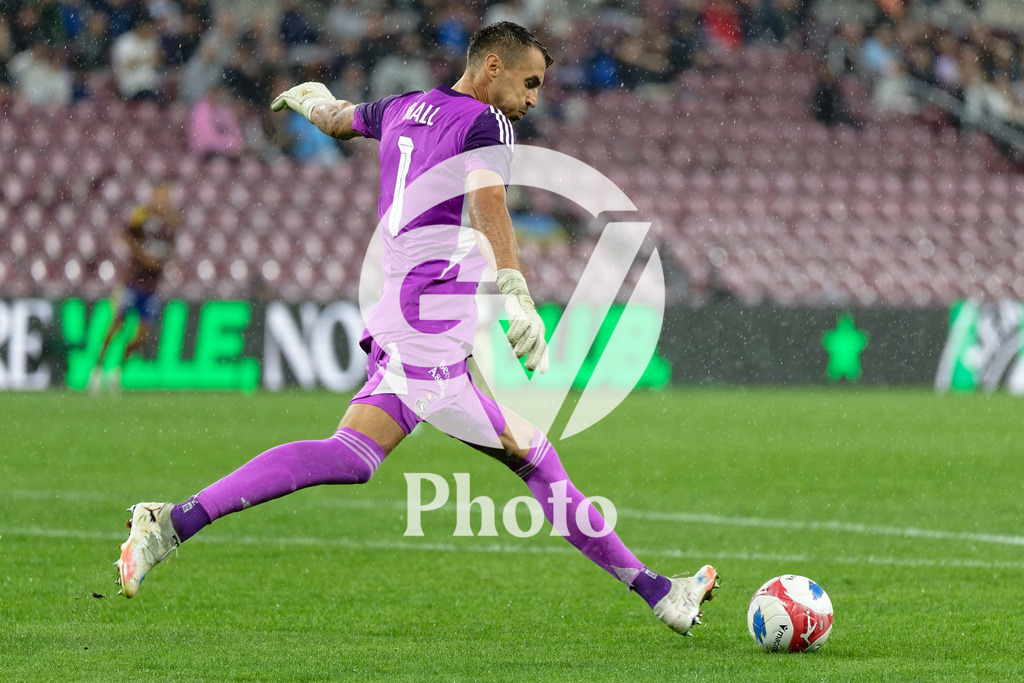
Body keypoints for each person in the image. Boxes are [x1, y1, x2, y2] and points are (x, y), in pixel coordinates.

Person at [114, 21, 717, 637]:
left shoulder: (404, 106)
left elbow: (339, 119)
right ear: (491, 70)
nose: (533, 98)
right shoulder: (488, 123)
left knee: (356, 457)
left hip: (406, 313)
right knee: (530, 457)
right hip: (425, 322)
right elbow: (488, 201)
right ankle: (660, 595)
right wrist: (515, 290)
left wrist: (311, 99)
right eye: (529, 82)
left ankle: (174, 522)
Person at [88, 183, 178, 394]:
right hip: (132, 283)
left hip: (152, 287)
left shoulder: (171, 221)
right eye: (160, 195)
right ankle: (97, 370)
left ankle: (116, 372)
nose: (162, 200)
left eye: (165, 196)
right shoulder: (141, 215)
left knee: (141, 337)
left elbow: (170, 248)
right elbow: (125, 237)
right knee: (116, 326)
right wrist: (142, 256)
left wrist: (164, 260)